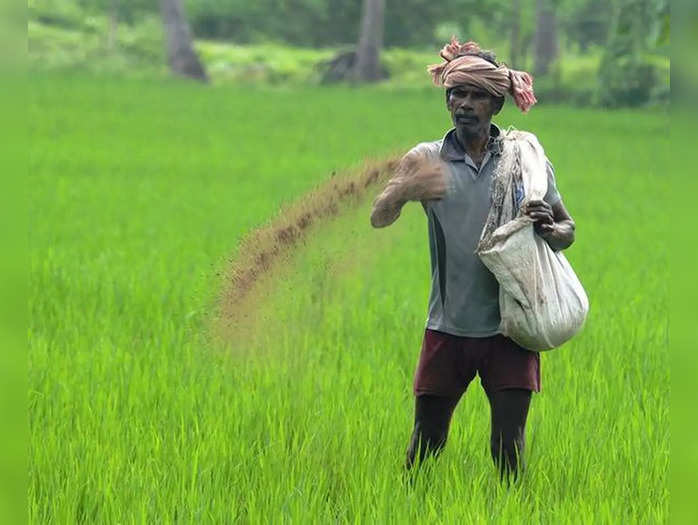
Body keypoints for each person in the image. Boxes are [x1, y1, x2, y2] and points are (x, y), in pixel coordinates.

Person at [369, 39, 576, 481]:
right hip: (448, 326)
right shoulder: (425, 159)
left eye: (476, 95)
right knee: (426, 442)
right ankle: (407, 508)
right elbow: (379, 217)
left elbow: (567, 231)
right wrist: (405, 190)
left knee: (509, 446)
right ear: (446, 99)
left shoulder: (524, 159)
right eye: (455, 94)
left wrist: (546, 227)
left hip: (511, 326)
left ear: (496, 103)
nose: (464, 104)